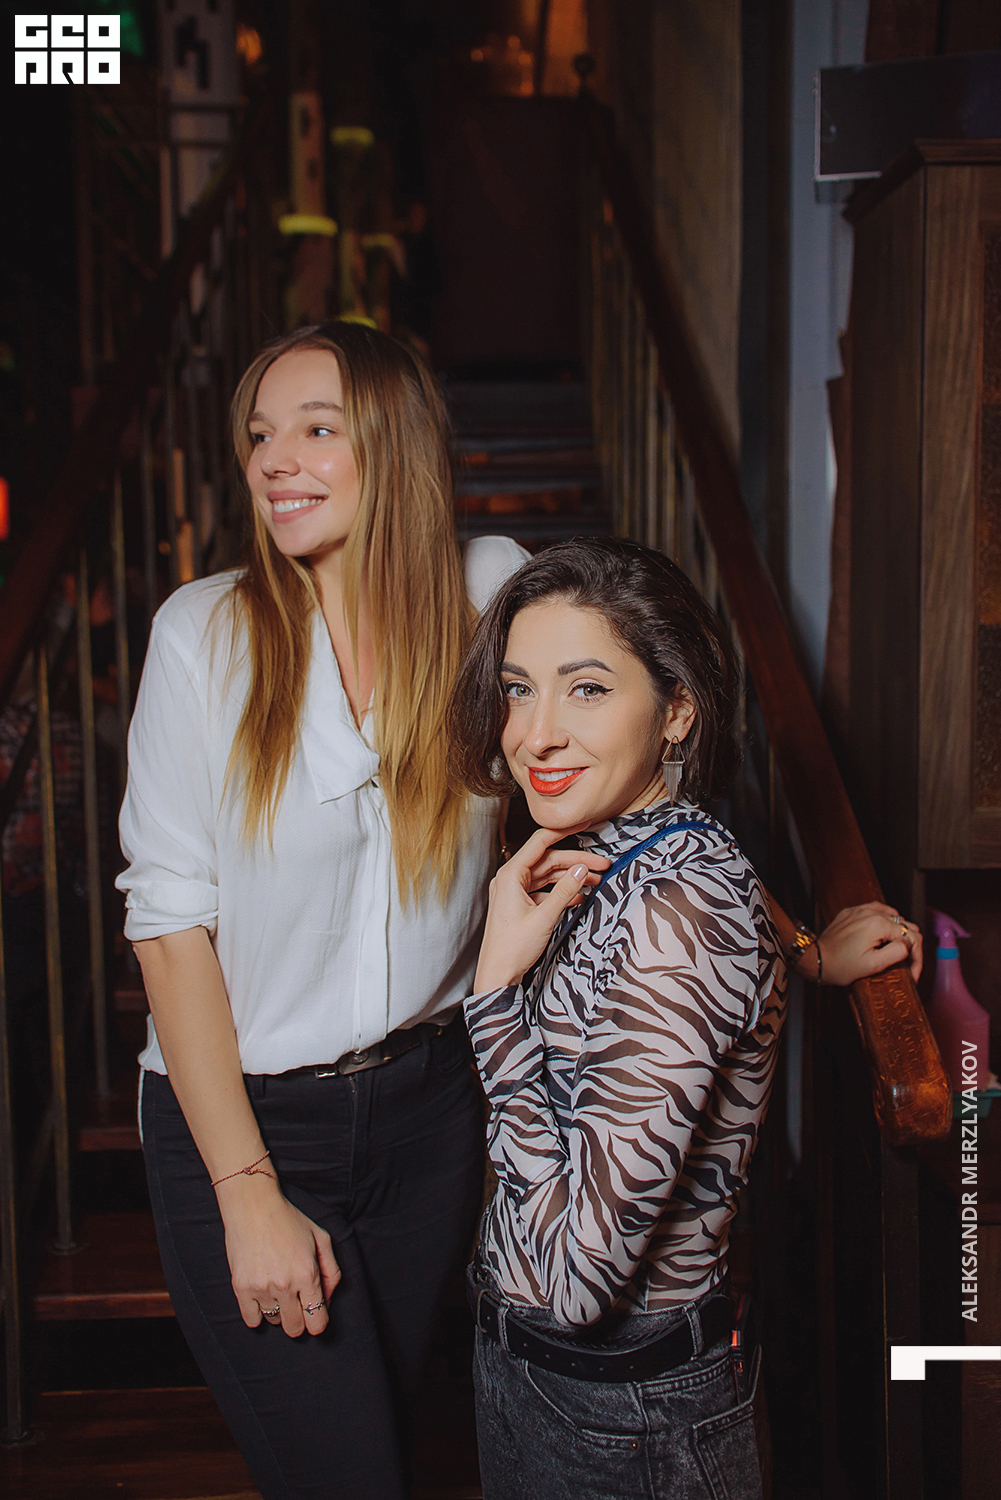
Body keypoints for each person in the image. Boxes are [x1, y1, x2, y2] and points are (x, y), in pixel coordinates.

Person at [117, 322, 531, 1500]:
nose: (273, 459)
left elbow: (615, 774)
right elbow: (168, 930)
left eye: (315, 428)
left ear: (393, 445)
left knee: (381, 1447)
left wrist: (795, 941)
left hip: (428, 1116)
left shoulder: (490, 590)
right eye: (259, 435)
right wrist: (246, 1193)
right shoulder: (203, 635)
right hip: (247, 1126)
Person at [446, 536, 919, 1500]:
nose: (535, 734)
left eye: (586, 689)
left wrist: (492, 999)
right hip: (546, 1380)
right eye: (519, 688)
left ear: (676, 712)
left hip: (617, 1412)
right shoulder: (643, 837)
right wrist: (805, 951)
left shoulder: (678, 910)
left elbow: (579, 1284)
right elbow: (713, 876)